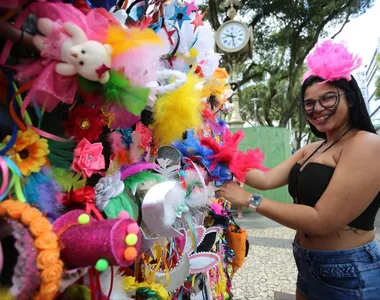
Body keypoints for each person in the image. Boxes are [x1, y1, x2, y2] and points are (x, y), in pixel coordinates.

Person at [216, 40, 380, 300]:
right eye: (309, 103)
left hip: (350, 272)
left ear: (350, 98)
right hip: (307, 262)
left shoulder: (367, 144)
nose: (317, 109)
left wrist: (249, 200)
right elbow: (266, 178)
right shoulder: (312, 148)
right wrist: (219, 154)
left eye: (327, 98)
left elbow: (322, 220)